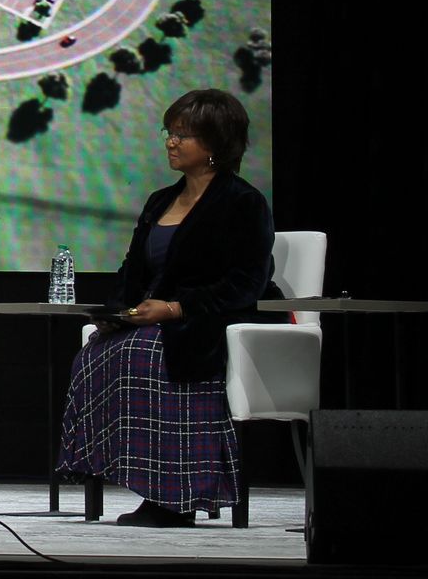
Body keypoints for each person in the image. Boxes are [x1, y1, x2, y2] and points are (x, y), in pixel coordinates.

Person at [58, 89, 274, 527]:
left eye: (183, 135)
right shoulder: (160, 200)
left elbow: (245, 283)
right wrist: (119, 310)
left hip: (208, 321)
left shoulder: (242, 202)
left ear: (214, 144)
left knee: (150, 354)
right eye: (169, 133)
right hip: (154, 319)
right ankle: (125, 477)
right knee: (96, 352)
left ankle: (177, 497)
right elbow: (131, 271)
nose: (171, 142)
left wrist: (175, 309)